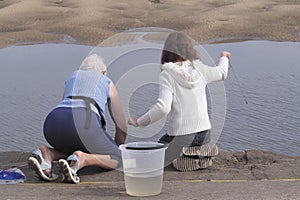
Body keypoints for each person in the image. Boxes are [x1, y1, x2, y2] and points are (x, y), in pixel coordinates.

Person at [128, 31, 230, 170]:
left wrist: (139, 122)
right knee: (168, 141)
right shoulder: (201, 69)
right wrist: (224, 57)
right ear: (190, 49)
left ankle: (181, 156)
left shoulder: (167, 74)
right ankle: (199, 154)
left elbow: (163, 108)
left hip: (182, 136)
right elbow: (222, 73)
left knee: (156, 151)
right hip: (205, 133)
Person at [28, 54, 127, 183]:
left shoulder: (73, 76)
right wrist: (114, 150)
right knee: (119, 158)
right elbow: (121, 127)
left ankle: (48, 154)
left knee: (76, 144)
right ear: (104, 72)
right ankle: (83, 159)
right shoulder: (106, 81)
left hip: (53, 122)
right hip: (84, 121)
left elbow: (65, 104)